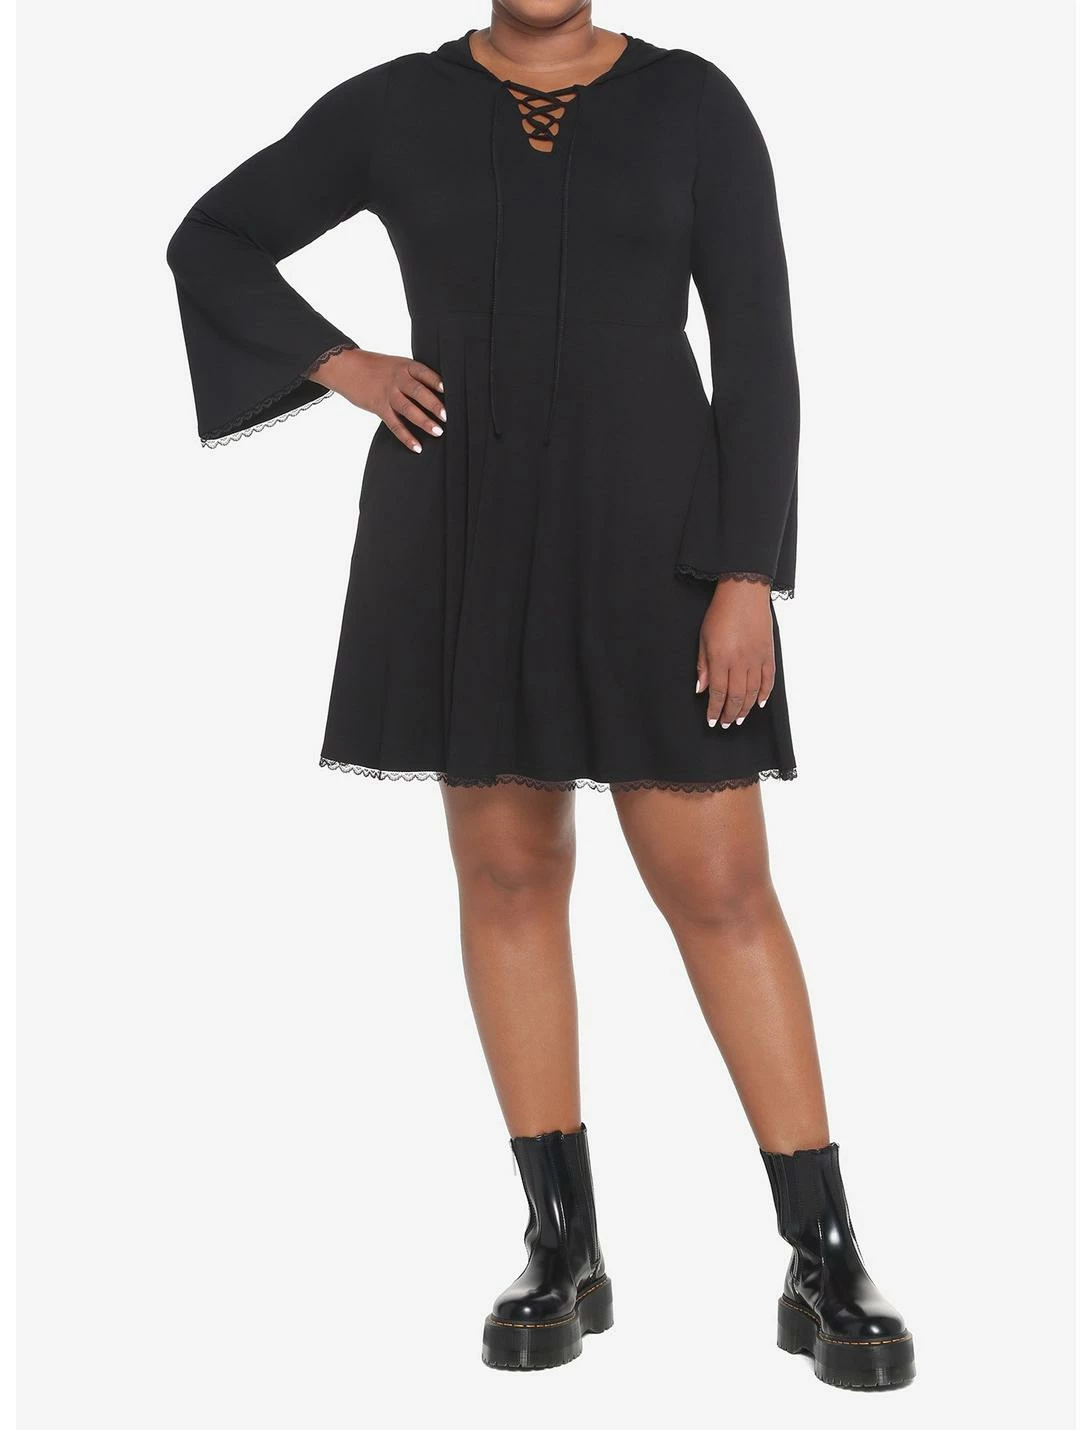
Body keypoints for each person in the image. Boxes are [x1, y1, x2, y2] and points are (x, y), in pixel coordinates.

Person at [167, 2, 914, 1389]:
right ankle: (560, 1240)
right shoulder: (396, 103)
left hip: (659, 535)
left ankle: (823, 1249)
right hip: (463, 521)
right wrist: (341, 364)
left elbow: (759, 347)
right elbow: (210, 236)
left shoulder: (693, 102)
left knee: (719, 884)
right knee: (508, 873)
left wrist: (747, 572)